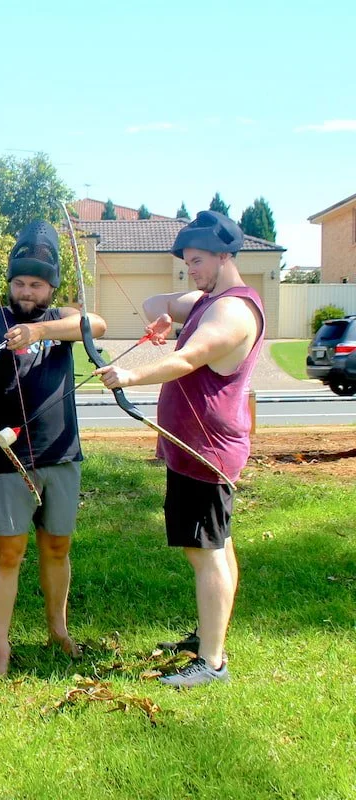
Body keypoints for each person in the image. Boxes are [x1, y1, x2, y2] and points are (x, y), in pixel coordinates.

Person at [95, 210, 263, 688]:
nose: (191, 271)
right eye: (187, 262)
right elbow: (154, 302)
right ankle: (210, 638)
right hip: (194, 447)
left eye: (198, 261)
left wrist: (129, 375)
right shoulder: (211, 300)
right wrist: (169, 314)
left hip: (207, 450)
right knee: (217, 544)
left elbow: (188, 358)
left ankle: (211, 663)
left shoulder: (231, 312)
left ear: (225, 256)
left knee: (204, 551)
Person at [0, 221, 105, 675]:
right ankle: (1, 647)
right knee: (8, 553)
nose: (26, 291)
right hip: (9, 458)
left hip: (61, 452)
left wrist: (40, 332)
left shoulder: (61, 320)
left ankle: (58, 630)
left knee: (57, 546)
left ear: (50, 287)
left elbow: (95, 324)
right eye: (19, 282)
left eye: (36, 284)